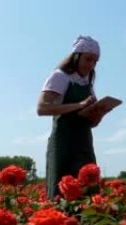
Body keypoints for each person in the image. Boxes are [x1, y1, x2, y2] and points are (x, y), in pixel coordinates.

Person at [37, 35, 103, 200]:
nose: (91, 65)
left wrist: (98, 114)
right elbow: (42, 108)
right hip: (63, 142)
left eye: (95, 61)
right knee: (62, 190)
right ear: (76, 56)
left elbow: (91, 123)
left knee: (88, 192)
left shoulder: (87, 82)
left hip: (84, 141)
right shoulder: (60, 76)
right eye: (88, 59)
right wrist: (79, 105)